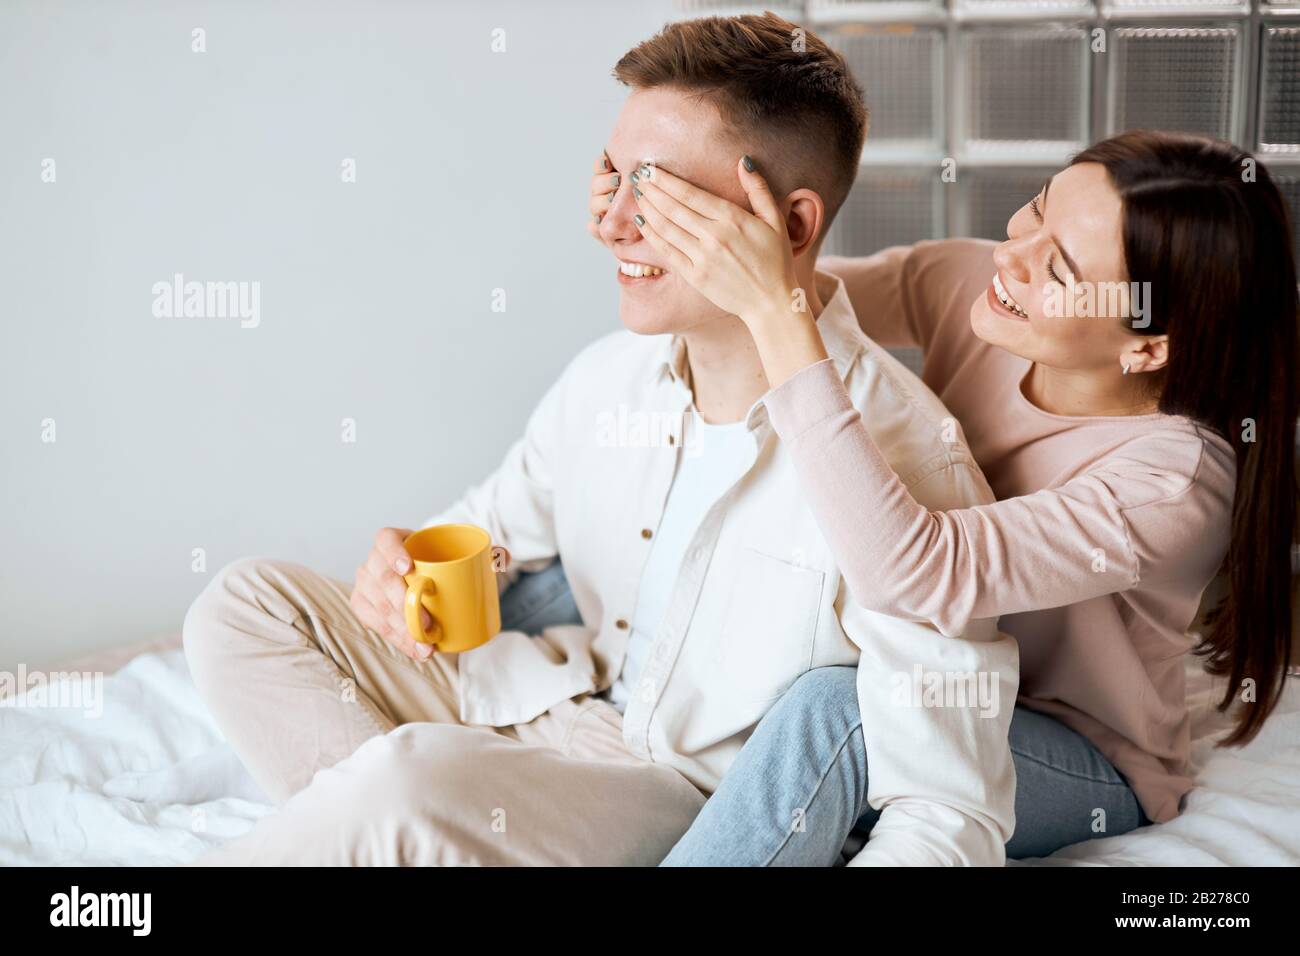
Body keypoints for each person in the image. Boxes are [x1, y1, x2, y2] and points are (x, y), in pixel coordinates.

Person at [181, 13, 1019, 866]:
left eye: (657, 193)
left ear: (792, 227)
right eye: (613, 177)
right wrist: (395, 578)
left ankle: (392, 819)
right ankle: (395, 829)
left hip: (672, 791)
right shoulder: (608, 381)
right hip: (550, 698)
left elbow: (945, 812)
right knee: (242, 607)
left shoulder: (909, 459)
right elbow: (492, 540)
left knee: (405, 782)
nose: (612, 224)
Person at [577, 127, 1298, 863]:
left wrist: (772, 312)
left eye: (1059, 267)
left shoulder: (1171, 482)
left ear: (1147, 345)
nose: (1010, 256)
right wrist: (652, 223)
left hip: (1068, 748)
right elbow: (783, 287)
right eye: (1037, 208)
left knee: (839, 712)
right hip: (919, 661)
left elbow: (916, 574)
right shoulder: (971, 285)